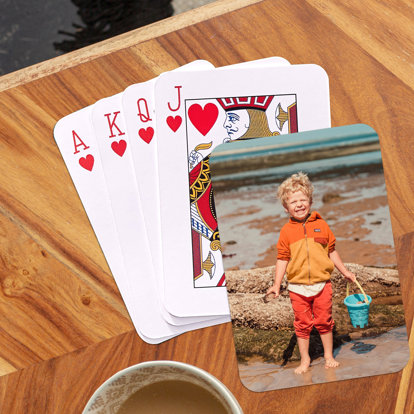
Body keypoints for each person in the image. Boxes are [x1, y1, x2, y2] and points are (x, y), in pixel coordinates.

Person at [266, 172, 356, 374]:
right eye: (293, 201)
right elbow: (282, 258)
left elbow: (331, 251)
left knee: (324, 321)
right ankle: (305, 359)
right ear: (285, 207)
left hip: (322, 284)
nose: (298, 204)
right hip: (297, 287)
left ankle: (328, 356)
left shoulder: (322, 225)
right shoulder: (286, 232)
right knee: (302, 324)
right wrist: (276, 284)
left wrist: (345, 272)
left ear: (310, 201)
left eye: (302, 200)